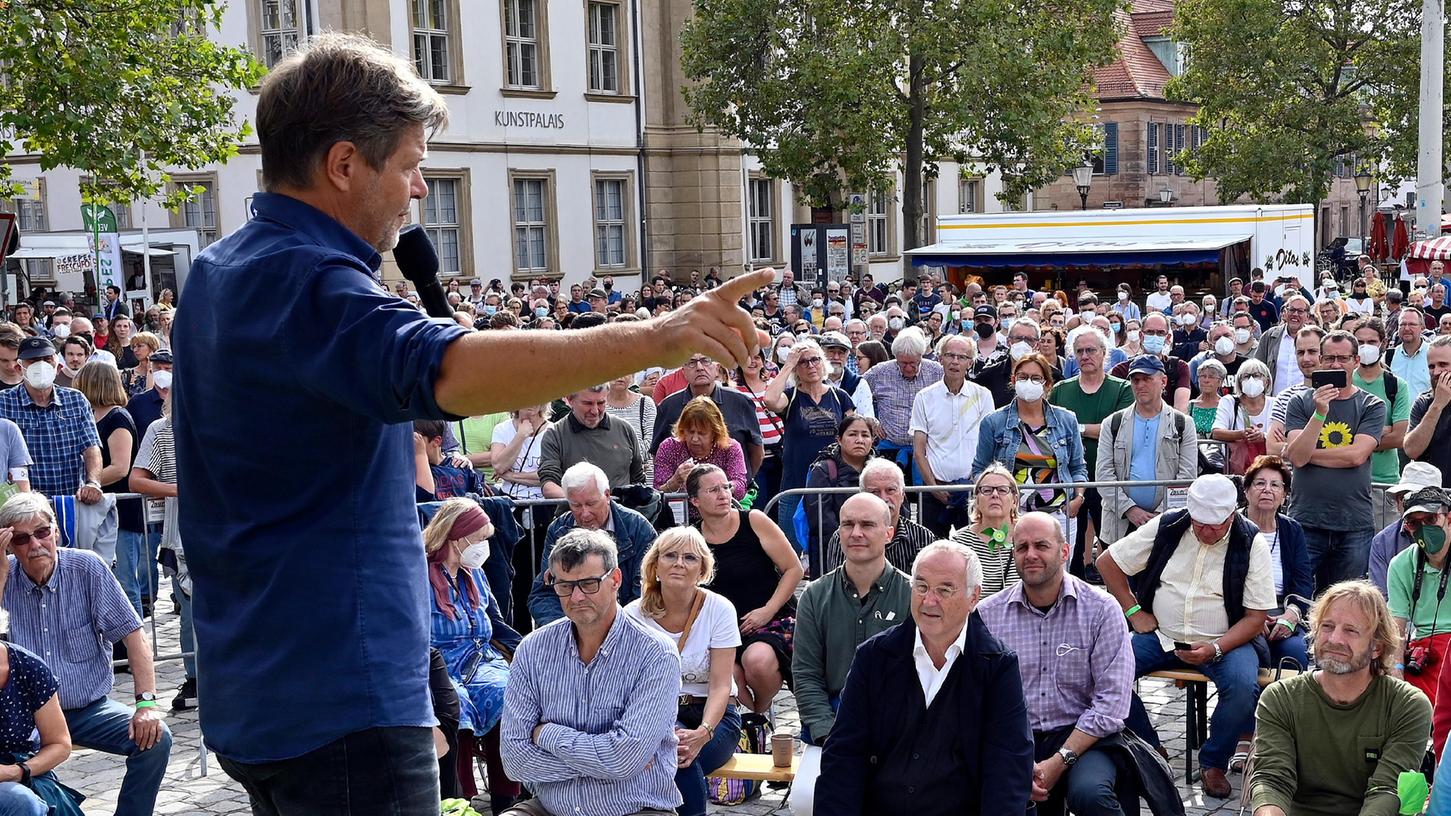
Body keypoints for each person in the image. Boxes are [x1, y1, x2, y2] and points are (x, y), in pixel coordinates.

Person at [173, 33, 772, 810]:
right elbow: (451, 370)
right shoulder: (308, 283)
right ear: (345, 164)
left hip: (261, 683)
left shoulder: (222, 271)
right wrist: (656, 336)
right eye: (412, 165)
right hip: (338, 696)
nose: (420, 191)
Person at [813, 540, 1035, 815]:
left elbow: (1008, 767)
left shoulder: (997, 666)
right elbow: (844, 753)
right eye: (921, 587)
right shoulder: (874, 656)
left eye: (944, 589)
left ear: (973, 597)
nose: (929, 600)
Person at [1096, 474, 1276, 799]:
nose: (1206, 531)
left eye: (1215, 525)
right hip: (1163, 635)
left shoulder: (1251, 542)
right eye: (1200, 523)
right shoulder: (1170, 525)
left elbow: (1255, 618)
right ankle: (1151, 750)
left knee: (1241, 686)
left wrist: (1216, 647)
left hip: (1226, 639)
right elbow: (1108, 562)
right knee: (1110, 672)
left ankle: (1214, 762)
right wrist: (1134, 613)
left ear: (1231, 516)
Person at [0, 492, 172, 816]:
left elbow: (134, 638)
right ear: (9, 545)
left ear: (55, 531)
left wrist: (147, 703)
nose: (34, 544)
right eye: (21, 539)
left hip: (87, 709)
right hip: (24, 721)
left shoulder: (86, 567)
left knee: (157, 738)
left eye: (41, 532)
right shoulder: (3, 575)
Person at [500, 528, 683, 816]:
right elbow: (514, 761)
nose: (576, 597)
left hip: (633, 808)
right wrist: (606, 761)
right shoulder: (532, 650)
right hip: (550, 808)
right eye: (564, 585)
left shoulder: (655, 654)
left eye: (588, 584)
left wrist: (547, 734)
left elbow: (626, 759)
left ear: (615, 580)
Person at [977, 512, 1146, 816]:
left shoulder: (1101, 609)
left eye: (1041, 545)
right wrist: (1016, 759)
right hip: (1014, 737)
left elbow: (1112, 702)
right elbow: (977, 697)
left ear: (1064, 552)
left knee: (1091, 795)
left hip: (1084, 736)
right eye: (1021, 547)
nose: (1030, 555)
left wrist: (1060, 760)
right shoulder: (988, 615)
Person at [1250, 581, 1432, 816]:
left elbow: (1386, 789)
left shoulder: (1407, 706)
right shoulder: (1281, 698)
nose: (1334, 639)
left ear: (1377, 646)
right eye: (1327, 626)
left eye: (1351, 630)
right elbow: (1273, 779)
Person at [623, 529, 743, 816]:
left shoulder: (719, 609)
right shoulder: (632, 615)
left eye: (689, 557)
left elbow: (720, 686)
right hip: (656, 714)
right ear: (655, 565)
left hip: (715, 716)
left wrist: (703, 732)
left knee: (679, 758)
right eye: (670, 555)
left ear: (702, 569)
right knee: (673, 755)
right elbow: (627, 687)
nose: (679, 563)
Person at [421, 499, 523, 811]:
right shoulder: (418, 575)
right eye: (480, 539)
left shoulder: (475, 574)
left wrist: (528, 652)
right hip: (437, 664)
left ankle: (508, 800)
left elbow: (496, 623)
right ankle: (460, 801)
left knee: (509, 694)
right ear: (457, 538)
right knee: (457, 708)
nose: (484, 546)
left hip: (481, 659)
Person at [792, 493, 912, 752]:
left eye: (867, 525)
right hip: (832, 720)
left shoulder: (914, 596)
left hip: (898, 726)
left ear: (889, 534)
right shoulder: (814, 596)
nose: (856, 533)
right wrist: (827, 733)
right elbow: (806, 674)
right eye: (848, 524)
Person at [689, 463, 802, 714]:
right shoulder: (692, 539)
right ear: (695, 501)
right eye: (712, 490)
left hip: (771, 616)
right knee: (728, 676)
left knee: (757, 662)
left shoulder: (754, 520)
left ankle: (761, 710)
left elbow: (794, 569)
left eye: (725, 487)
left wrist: (767, 610)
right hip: (722, 627)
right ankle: (753, 725)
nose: (723, 495)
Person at [1285, 330, 1386, 592]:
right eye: (1329, 358)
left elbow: (1356, 456)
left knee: (1345, 601)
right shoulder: (1300, 402)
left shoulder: (1371, 405)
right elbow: (1296, 457)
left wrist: (1307, 455)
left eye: (1343, 358)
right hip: (1307, 519)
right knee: (1297, 596)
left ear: (1356, 361)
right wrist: (1319, 415)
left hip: (1353, 523)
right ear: (1320, 360)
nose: (1335, 365)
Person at [974, 352, 1087, 546]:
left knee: (1058, 574)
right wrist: (992, 502)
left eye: (1036, 378)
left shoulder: (1067, 420)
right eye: (1023, 377)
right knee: (1007, 575)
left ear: (1047, 384)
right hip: (1009, 517)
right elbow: (980, 469)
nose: (1028, 382)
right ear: (1013, 380)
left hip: (1059, 515)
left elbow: (1078, 467)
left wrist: (1078, 498)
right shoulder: (993, 422)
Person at [528, 462, 657, 627]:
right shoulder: (559, 529)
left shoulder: (638, 527)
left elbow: (644, 591)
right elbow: (544, 593)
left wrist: (616, 630)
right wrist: (564, 630)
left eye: (591, 504)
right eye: (575, 505)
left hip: (625, 625)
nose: (585, 513)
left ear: (607, 495)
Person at [1051, 328, 1133, 575]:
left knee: (1113, 548)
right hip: (1069, 480)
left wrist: (1077, 427)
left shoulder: (1122, 389)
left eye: (1090, 350)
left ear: (1104, 353)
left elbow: (1117, 429)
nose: (1085, 356)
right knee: (1068, 549)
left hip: (1109, 478)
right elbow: (1053, 430)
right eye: (1079, 351)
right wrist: (1092, 429)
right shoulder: (1061, 390)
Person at [0, 573, 82, 816]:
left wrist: (18, 771)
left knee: (24, 803)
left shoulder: (27, 667)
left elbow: (59, 743)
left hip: (19, 770)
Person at [1095, 354, 1198, 546]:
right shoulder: (1112, 423)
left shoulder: (1183, 423)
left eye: (1147, 379)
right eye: (1135, 380)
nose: (1140, 385)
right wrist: (1130, 509)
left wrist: (1161, 513)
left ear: (1163, 381)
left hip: (1167, 523)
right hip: (1120, 523)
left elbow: (1186, 475)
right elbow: (1103, 475)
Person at [761, 339, 854, 549]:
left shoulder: (840, 397)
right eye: (803, 362)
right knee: (791, 549)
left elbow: (852, 432)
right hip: (796, 484)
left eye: (815, 360)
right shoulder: (791, 396)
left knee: (833, 548)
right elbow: (769, 400)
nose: (811, 365)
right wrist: (788, 364)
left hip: (833, 484)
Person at [73, 362, 150, 614]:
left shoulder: (118, 417)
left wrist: (87, 484)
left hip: (122, 512)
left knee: (126, 584)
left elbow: (120, 467)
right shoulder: (89, 417)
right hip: (99, 509)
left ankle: (135, 646)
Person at [0, 337, 103, 509]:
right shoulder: (3, 402)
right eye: (33, 360)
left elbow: (91, 447)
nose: (40, 365)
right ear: (19, 368)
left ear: (58, 366)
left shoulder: (76, 400)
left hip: (71, 504)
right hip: (24, 511)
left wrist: (93, 482)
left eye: (47, 359)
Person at [910, 334, 995, 536]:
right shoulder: (924, 397)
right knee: (930, 552)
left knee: (977, 550)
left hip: (972, 490)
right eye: (949, 355)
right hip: (933, 491)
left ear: (970, 362)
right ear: (940, 358)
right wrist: (933, 488)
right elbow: (919, 450)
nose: (955, 361)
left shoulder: (983, 395)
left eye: (962, 357)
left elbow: (989, 444)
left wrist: (976, 484)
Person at [1241, 455, 1313, 671]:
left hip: (1282, 610)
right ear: (1246, 491)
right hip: (1240, 614)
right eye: (1260, 483)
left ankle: (1281, 705)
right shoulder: (1233, 527)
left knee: (1296, 652)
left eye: (1275, 485)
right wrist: (1253, 617)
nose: (1267, 490)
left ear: (1284, 496)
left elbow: (1303, 581)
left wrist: (1291, 615)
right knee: (1250, 657)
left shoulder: (1292, 530)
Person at [1386, 487, 1451, 704]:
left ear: (1449, 518)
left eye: (1431, 519)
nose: (1423, 529)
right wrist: (1396, 671)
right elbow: (1396, 629)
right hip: (1425, 651)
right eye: (1414, 523)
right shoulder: (1400, 564)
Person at [650, 353, 763, 476]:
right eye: (691, 362)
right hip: (683, 492)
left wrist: (742, 482)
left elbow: (756, 450)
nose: (699, 367)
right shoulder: (668, 407)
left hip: (732, 491)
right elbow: (659, 456)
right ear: (683, 370)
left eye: (706, 360)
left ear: (717, 367)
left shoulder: (740, 402)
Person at [821, 458, 936, 575]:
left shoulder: (922, 536)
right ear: (862, 495)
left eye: (890, 490)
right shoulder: (845, 537)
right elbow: (839, 587)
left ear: (902, 495)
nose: (883, 498)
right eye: (874, 492)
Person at [539, 385, 645, 496]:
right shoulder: (555, 434)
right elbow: (549, 485)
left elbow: (638, 479)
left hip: (620, 512)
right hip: (574, 512)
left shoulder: (624, 429)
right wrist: (586, 503)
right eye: (587, 403)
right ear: (570, 399)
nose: (594, 411)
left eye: (601, 403)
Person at [862, 327, 943, 461]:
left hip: (929, 450)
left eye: (913, 363)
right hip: (889, 449)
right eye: (903, 363)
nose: (908, 368)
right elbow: (856, 394)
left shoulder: (937, 372)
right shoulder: (880, 372)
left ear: (921, 356)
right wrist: (869, 419)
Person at [801, 415, 877, 556]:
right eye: (852, 434)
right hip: (832, 550)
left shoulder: (881, 469)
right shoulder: (824, 469)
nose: (859, 440)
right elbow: (819, 514)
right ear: (839, 440)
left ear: (872, 441)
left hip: (875, 548)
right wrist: (846, 540)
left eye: (865, 435)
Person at [653, 396, 747, 501]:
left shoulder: (730, 448)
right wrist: (675, 481)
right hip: (679, 514)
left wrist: (720, 486)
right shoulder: (669, 447)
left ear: (715, 432)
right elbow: (656, 493)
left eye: (702, 433)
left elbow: (740, 488)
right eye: (690, 431)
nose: (695, 439)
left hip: (719, 513)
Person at [948, 464, 1021, 597]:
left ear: (1014, 500)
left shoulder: (1027, 536)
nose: (994, 495)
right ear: (977, 501)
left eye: (1002, 490)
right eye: (987, 490)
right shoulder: (960, 542)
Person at [1109, 313, 1190, 412]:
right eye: (1150, 332)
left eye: (1160, 333)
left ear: (1167, 338)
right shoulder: (1122, 370)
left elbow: (1180, 409)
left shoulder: (1179, 367)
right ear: (1141, 335)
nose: (1155, 336)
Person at [1209, 357, 1272, 475]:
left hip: (1269, 467)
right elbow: (1216, 432)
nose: (1251, 380)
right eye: (1246, 376)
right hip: (1237, 469)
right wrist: (1241, 434)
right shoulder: (1229, 402)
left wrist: (1262, 436)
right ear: (1239, 382)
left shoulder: (1275, 403)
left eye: (1257, 375)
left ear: (1266, 381)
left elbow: (1282, 436)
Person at [1405, 335, 1451, 481]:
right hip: (1431, 496)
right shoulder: (1424, 402)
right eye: (1432, 366)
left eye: (1443, 365)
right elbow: (1412, 450)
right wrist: (1437, 406)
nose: (1436, 372)